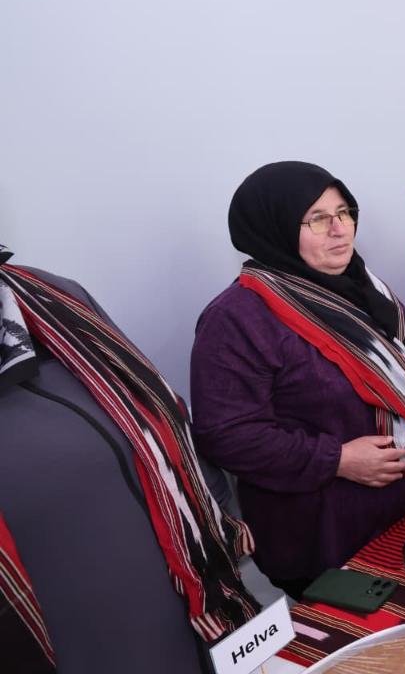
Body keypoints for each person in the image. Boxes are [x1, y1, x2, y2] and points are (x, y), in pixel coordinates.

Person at [191, 162, 405, 600]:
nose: (340, 229)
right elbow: (227, 435)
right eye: (318, 219)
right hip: (327, 533)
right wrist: (336, 459)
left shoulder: (366, 286)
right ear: (272, 229)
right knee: (370, 648)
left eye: (345, 212)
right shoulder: (237, 318)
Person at [0, 249, 259, 673]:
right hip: (79, 638)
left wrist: (217, 520)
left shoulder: (52, 296)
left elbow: (162, 413)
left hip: (186, 603)